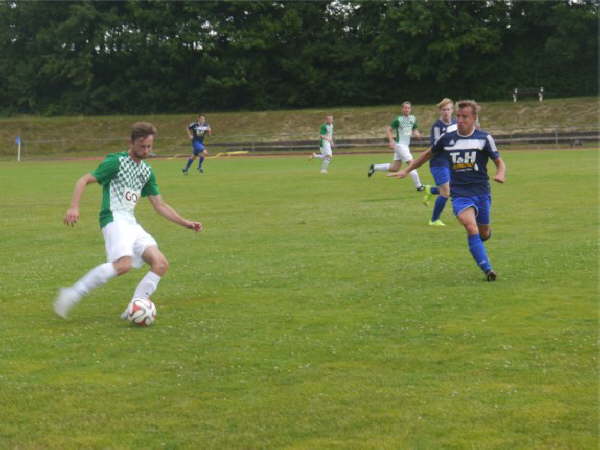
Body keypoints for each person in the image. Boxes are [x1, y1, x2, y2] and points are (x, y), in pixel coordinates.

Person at [54, 122, 202, 319]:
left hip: (131, 222)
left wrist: (186, 222)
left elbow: (160, 205)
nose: (146, 150)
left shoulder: (146, 171)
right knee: (124, 265)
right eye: (142, 146)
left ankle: (135, 306)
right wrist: (74, 206)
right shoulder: (116, 162)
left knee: (160, 263)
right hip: (114, 218)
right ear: (131, 143)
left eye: (150, 146)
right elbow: (83, 180)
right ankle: (72, 293)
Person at [389, 100, 506, 281]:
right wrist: (405, 170)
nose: (459, 120)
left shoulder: (484, 138)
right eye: (458, 116)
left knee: (483, 233)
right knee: (470, 226)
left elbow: (499, 162)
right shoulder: (448, 138)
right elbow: (426, 155)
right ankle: (487, 269)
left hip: (482, 191)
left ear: (474, 118)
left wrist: (500, 173)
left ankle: (482, 240)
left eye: (464, 117)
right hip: (459, 193)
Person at [367, 101, 425, 191]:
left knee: (395, 168)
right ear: (402, 109)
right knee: (412, 164)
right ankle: (419, 186)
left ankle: (374, 167)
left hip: (405, 146)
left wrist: (417, 134)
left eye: (408, 108)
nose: (407, 110)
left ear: (410, 109)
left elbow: (414, 129)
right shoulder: (398, 119)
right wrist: (391, 140)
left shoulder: (413, 118)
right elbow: (388, 130)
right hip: (400, 146)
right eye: (405, 108)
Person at [422, 98, 457, 226]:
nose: (446, 112)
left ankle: (431, 190)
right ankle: (434, 220)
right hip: (438, 162)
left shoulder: (456, 123)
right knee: (446, 192)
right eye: (444, 110)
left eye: (448, 109)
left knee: (454, 189)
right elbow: (435, 146)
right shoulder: (437, 126)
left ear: (452, 110)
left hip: (452, 162)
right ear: (440, 111)